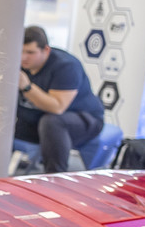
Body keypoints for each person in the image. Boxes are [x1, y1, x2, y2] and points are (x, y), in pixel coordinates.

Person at [16, 25, 104, 173]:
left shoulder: (66, 66)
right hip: (38, 118)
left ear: (46, 50)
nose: (24, 57)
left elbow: (57, 107)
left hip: (84, 120)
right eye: (21, 51)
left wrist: (27, 87)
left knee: (52, 122)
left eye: (30, 52)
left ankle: (55, 175)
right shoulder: (18, 62)